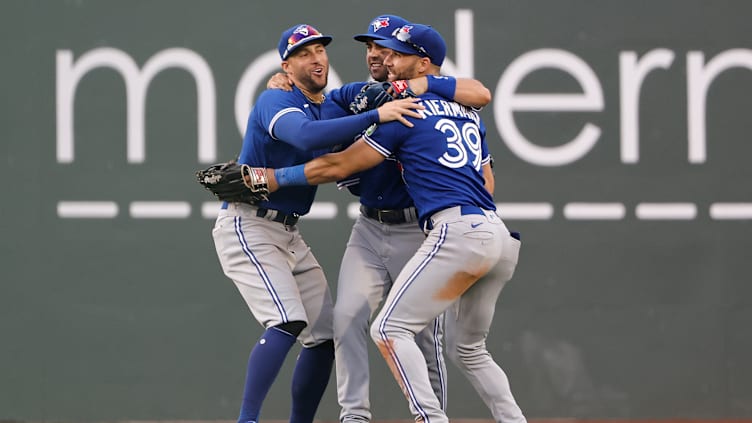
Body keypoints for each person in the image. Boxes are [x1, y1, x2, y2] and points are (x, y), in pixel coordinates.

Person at [259, 23, 526, 423]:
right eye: (374, 47)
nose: (379, 55)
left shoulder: (404, 110)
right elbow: (485, 174)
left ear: (421, 62)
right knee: (463, 347)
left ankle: (431, 418)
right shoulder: (458, 110)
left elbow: (340, 164)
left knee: (395, 331)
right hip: (483, 230)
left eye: (391, 50)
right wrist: (289, 86)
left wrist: (274, 178)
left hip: (434, 231)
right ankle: (357, 416)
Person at [210, 23, 424, 423]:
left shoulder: (333, 102)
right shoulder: (276, 101)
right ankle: (247, 420)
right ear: (286, 67)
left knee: (325, 335)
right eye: (304, 53)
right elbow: (306, 138)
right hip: (249, 225)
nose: (316, 58)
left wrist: (397, 91)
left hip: (288, 230)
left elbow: (382, 90)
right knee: (287, 319)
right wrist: (378, 114)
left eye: (320, 50)